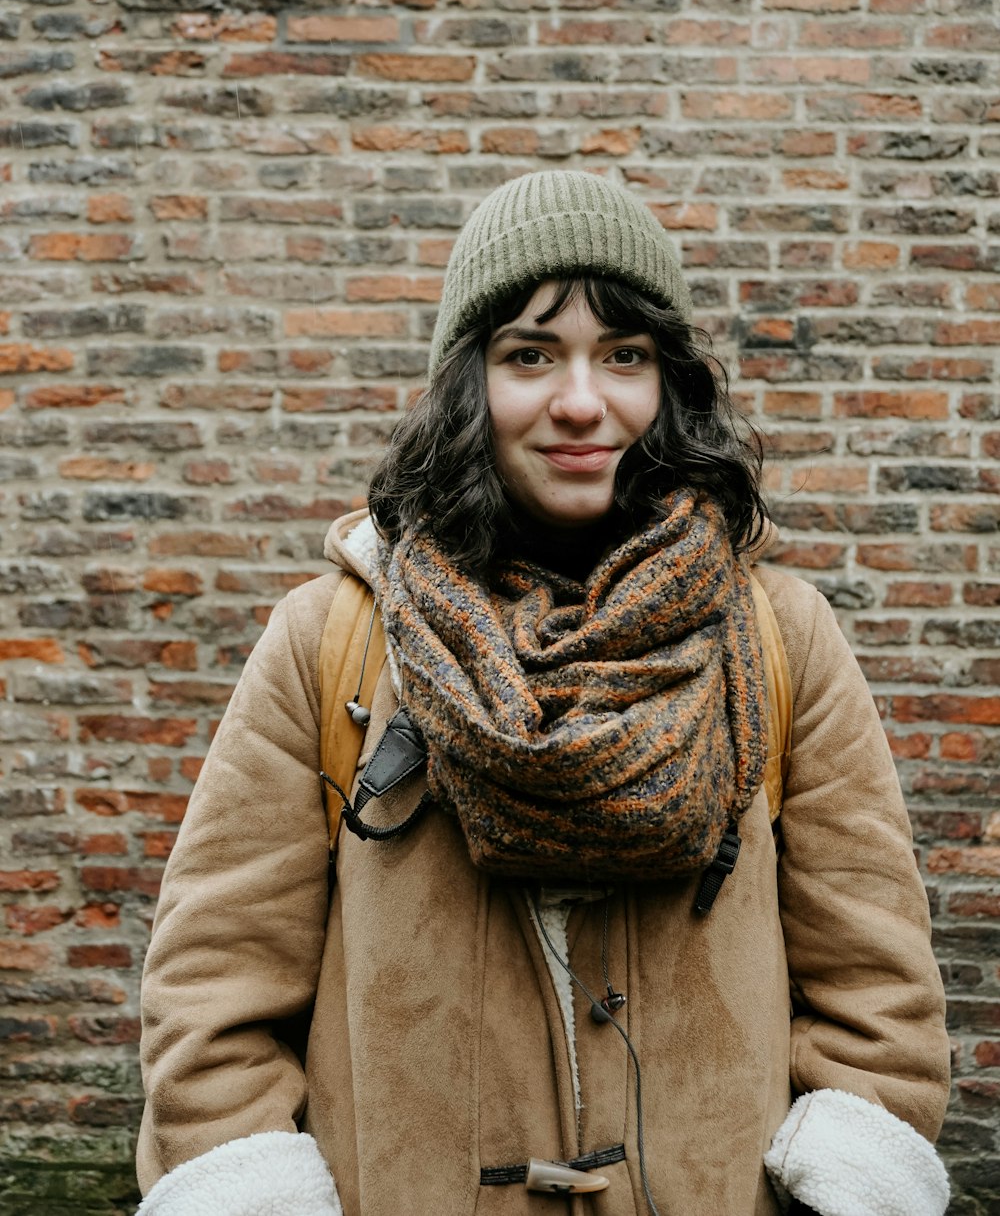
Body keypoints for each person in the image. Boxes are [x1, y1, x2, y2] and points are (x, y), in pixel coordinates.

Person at [134, 171, 951, 1216]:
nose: (580, 400)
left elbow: (876, 985)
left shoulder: (776, 635)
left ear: (670, 385)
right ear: (470, 383)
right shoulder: (332, 640)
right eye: (530, 355)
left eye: (624, 356)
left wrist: (839, 1179)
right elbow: (213, 991)